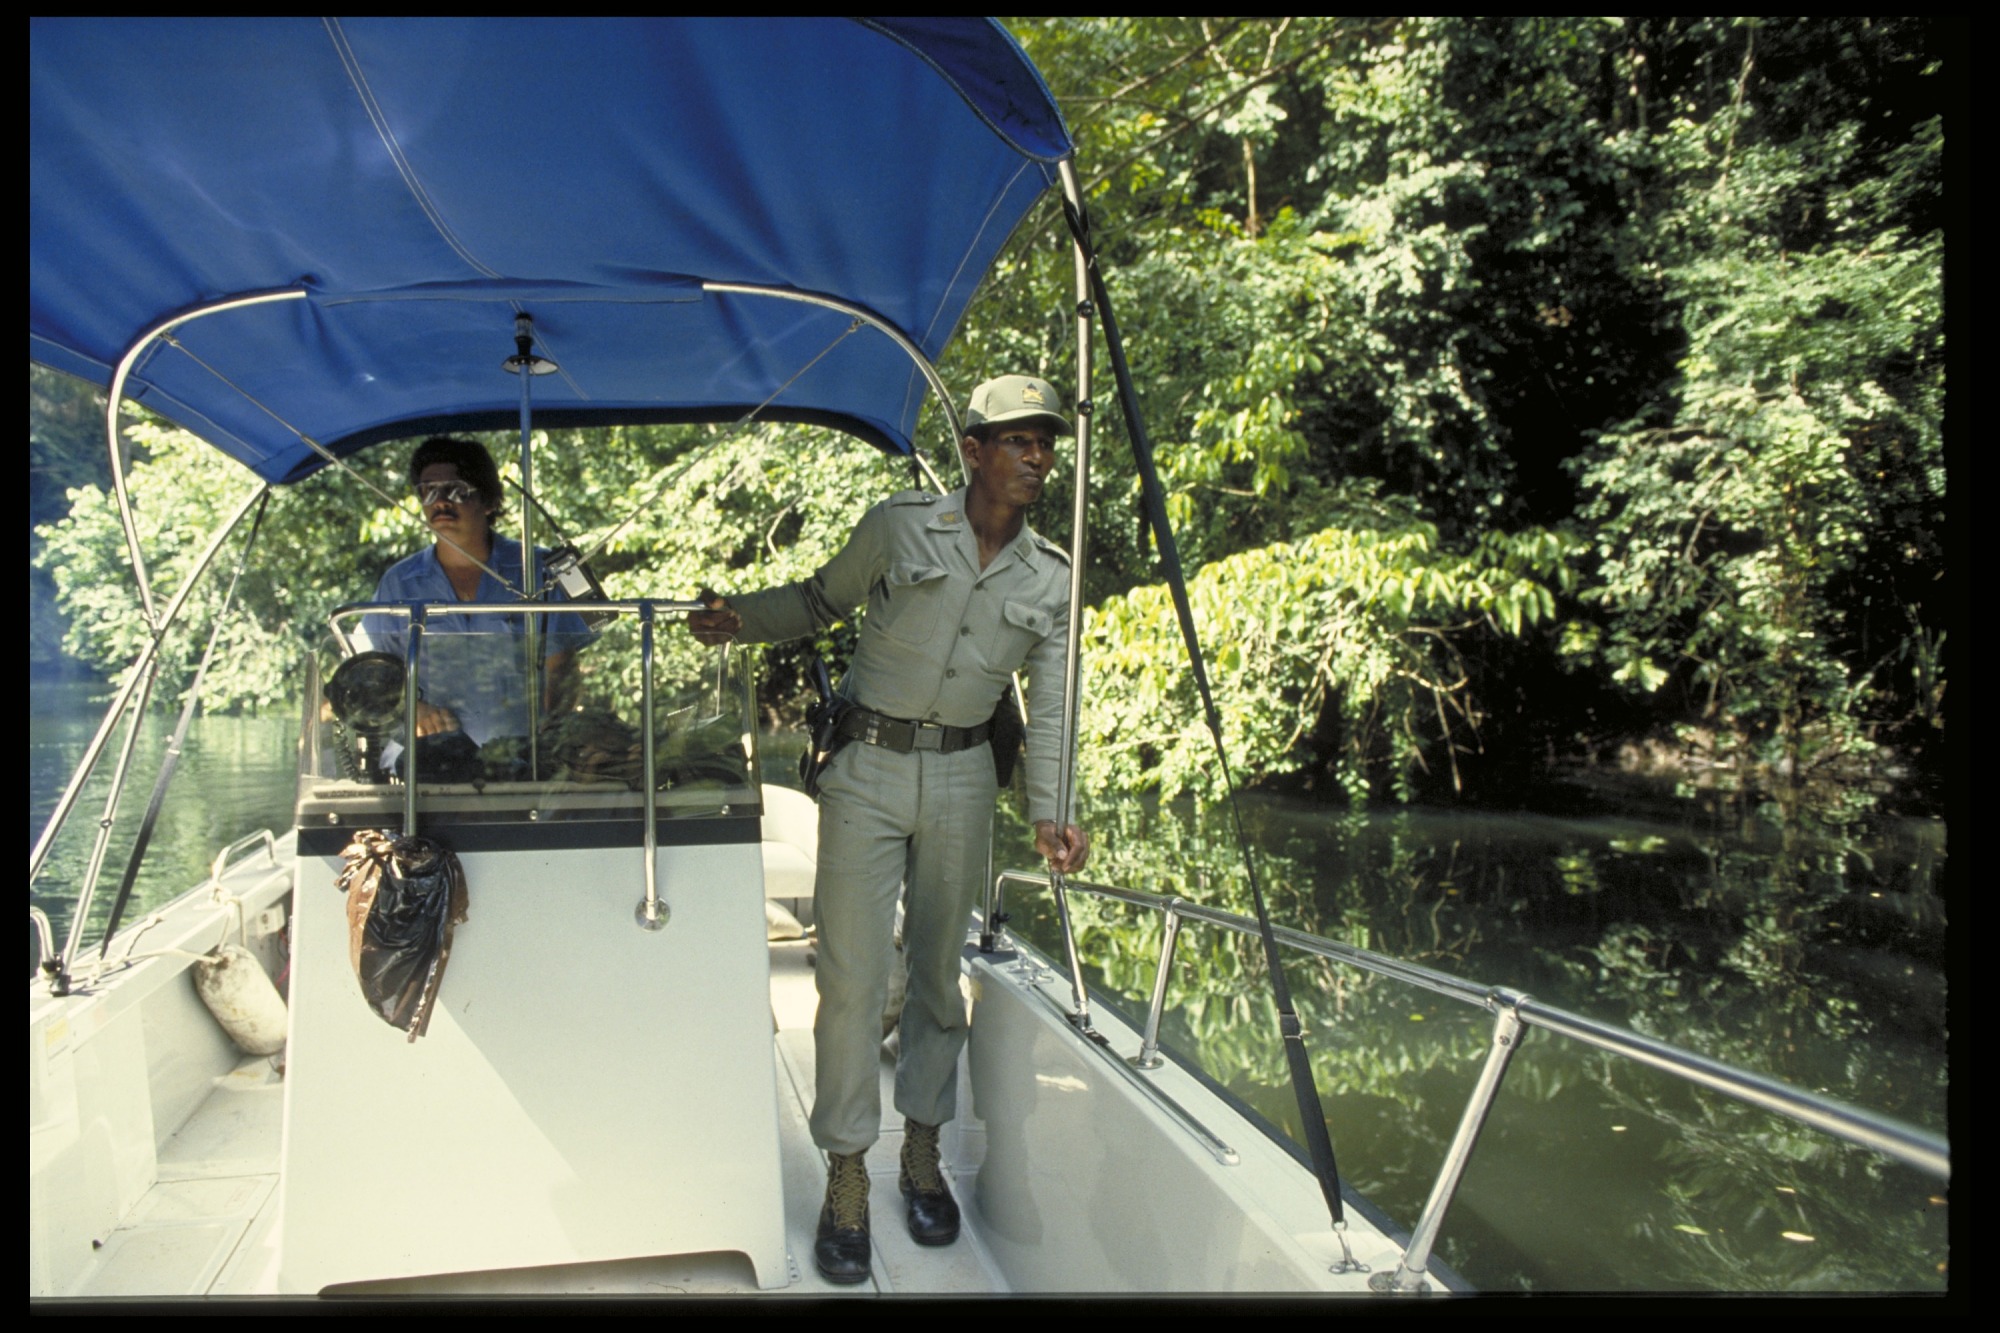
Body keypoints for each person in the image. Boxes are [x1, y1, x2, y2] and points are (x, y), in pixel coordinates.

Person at [686, 375, 1092, 1283]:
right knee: (852, 976)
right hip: (865, 767)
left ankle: (921, 1151)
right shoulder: (899, 526)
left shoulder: (1051, 577)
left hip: (963, 777)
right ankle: (845, 1174)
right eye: (1017, 440)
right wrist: (737, 619)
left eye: (1045, 443)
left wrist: (1052, 811)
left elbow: (1055, 705)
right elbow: (817, 600)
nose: (1036, 457)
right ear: (974, 450)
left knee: (939, 977)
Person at [357, 437, 595, 764]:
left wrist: (551, 743)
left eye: (456, 490)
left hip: (522, 766)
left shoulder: (541, 571)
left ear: (489, 500)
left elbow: (563, 669)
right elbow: (369, 671)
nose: (441, 502)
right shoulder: (398, 583)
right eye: (428, 491)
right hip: (424, 765)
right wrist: (410, 709)